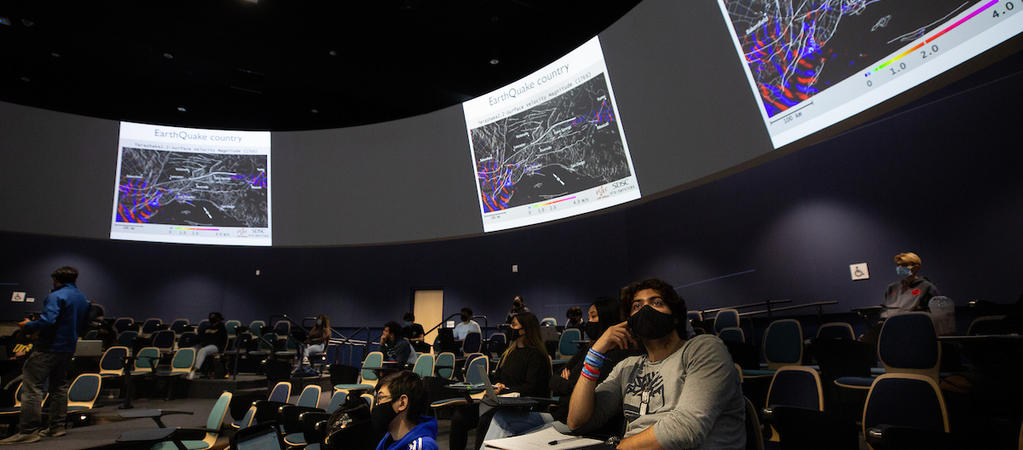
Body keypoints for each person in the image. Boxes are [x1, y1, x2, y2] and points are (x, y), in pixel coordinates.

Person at [567, 278, 745, 449]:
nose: (645, 309)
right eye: (637, 306)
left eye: (656, 303)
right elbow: (577, 421)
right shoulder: (627, 367)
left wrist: (617, 447)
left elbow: (685, 429)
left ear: (675, 317)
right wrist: (595, 353)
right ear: (629, 322)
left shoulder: (703, 349)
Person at [1, 266, 90, 444]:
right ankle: (57, 427)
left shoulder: (56, 296)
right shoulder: (82, 299)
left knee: (32, 388)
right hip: (67, 348)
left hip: (48, 348)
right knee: (59, 387)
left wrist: (28, 325)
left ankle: (28, 431)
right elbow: (84, 324)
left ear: (56, 280)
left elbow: (48, 321)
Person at [450, 312, 552, 449]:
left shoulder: (537, 355)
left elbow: (532, 387)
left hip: (522, 405)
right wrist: (496, 385)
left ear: (526, 329)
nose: (510, 327)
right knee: (460, 416)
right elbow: (498, 376)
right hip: (501, 401)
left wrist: (505, 389)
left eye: (514, 324)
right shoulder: (509, 352)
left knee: (487, 419)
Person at [372, 370, 439, 450]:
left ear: (402, 403)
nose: (377, 404)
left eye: (380, 398)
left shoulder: (422, 446)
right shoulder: (388, 439)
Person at [881, 252, 941, 318]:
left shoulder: (927, 287)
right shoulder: (891, 288)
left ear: (916, 268)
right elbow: (883, 311)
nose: (900, 267)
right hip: (891, 325)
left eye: (904, 265)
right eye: (898, 265)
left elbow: (938, 314)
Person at [188, 312, 227, 380]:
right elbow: (200, 337)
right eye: (210, 316)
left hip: (216, 347)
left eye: (213, 317)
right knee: (193, 350)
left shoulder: (221, 327)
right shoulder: (207, 327)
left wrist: (204, 345)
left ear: (218, 318)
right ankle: (189, 370)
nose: (211, 318)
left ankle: (194, 370)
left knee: (203, 351)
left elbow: (222, 340)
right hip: (205, 346)